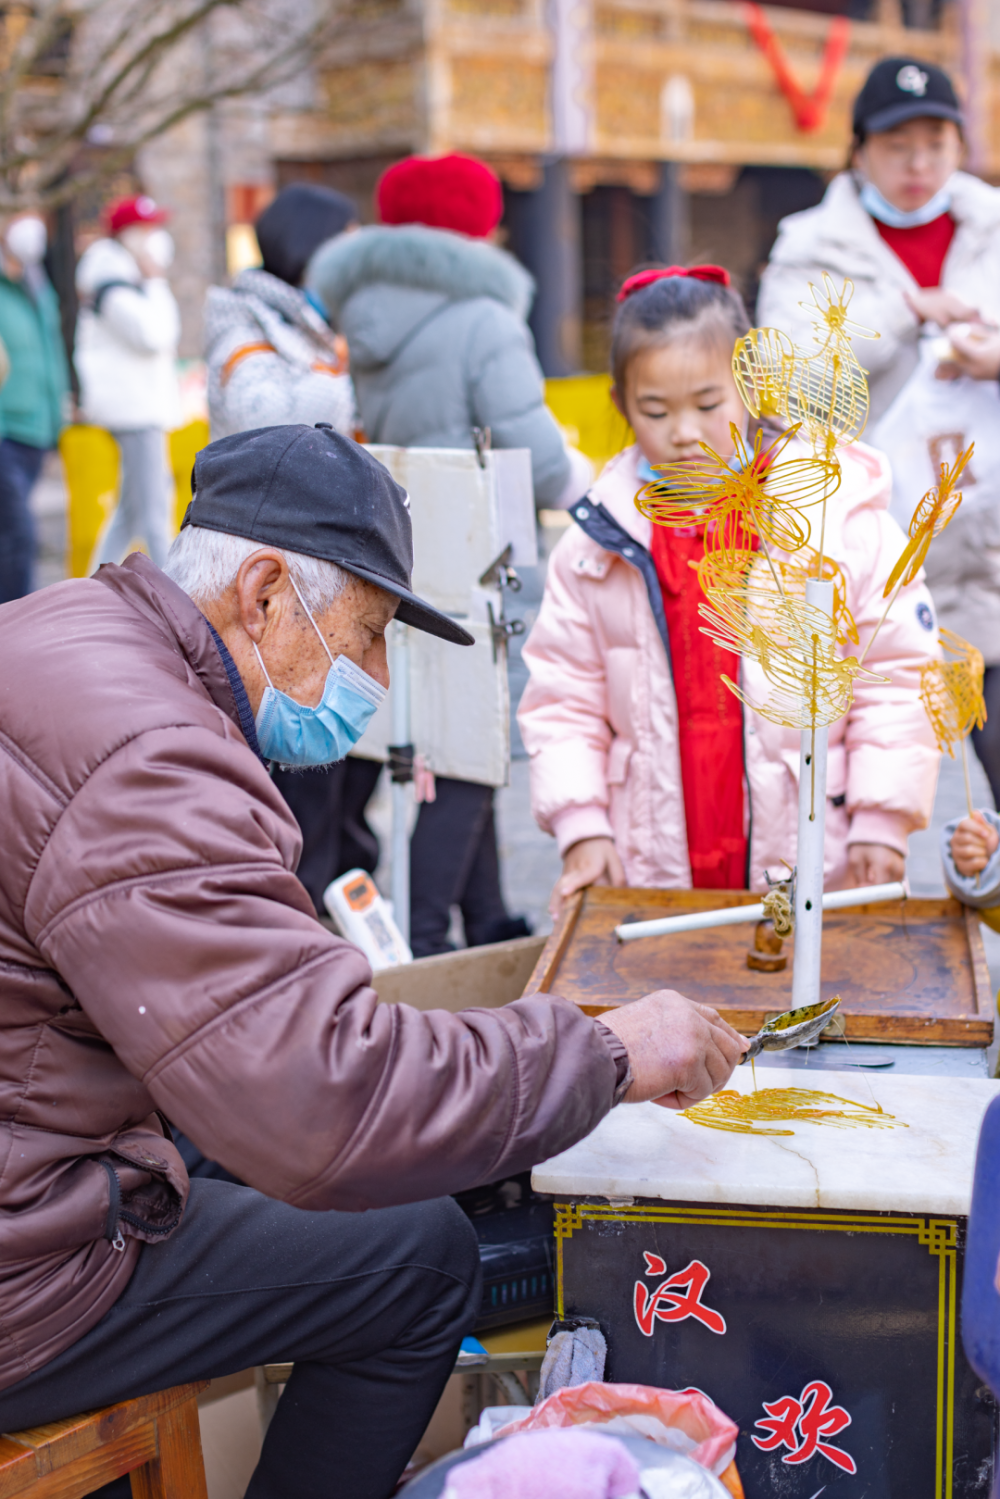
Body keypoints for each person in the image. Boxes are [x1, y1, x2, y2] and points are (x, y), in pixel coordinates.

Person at [0, 421, 746, 1499]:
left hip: (38, 1141)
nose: (376, 678)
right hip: (27, 1262)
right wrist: (609, 1048)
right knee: (418, 1258)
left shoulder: (69, 625)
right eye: (368, 634)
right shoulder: (150, 756)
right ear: (263, 592)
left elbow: (241, 1028)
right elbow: (324, 1096)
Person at [517, 268, 940, 917]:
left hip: (817, 863)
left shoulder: (837, 519)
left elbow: (897, 676)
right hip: (649, 865)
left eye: (708, 405)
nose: (683, 431)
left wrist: (881, 820)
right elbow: (563, 698)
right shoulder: (596, 544)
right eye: (656, 411)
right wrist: (583, 827)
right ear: (623, 403)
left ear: (750, 390)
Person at [308, 152, 592, 956]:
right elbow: (534, 455)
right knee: (467, 754)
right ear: (475, 231)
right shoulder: (485, 321)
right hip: (476, 561)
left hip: (396, 555)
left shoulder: (362, 318)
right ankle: (429, 938)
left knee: (439, 738)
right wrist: (587, 479)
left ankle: (489, 916)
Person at [757, 58, 1000, 808]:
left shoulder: (994, 229)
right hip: (865, 572)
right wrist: (903, 313)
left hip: (990, 569)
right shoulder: (807, 247)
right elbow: (784, 383)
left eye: (936, 141)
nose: (919, 163)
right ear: (859, 149)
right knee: (865, 808)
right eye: (898, 144)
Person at [205, 183, 376, 917]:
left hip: (329, 566)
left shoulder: (309, 325)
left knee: (346, 778)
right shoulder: (243, 323)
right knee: (298, 757)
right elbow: (262, 414)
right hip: (276, 577)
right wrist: (349, 376)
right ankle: (293, 919)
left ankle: (346, 923)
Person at [75, 195, 183, 571]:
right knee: (155, 510)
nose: (156, 237)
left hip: (142, 405)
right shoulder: (112, 280)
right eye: (148, 229)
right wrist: (156, 281)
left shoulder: (127, 275)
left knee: (132, 509)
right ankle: (178, 597)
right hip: (133, 409)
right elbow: (156, 334)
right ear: (128, 235)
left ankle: (90, 588)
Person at [205, 182, 357, 442]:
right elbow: (264, 425)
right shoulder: (248, 327)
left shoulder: (301, 324)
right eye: (349, 255)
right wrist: (360, 387)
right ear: (310, 250)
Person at [0, 211, 71, 602]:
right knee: (18, 536)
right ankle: (12, 626)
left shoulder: (37, 281)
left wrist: (57, 408)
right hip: (5, 429)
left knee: (11, 535)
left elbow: (50, 348)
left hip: (35, 427)